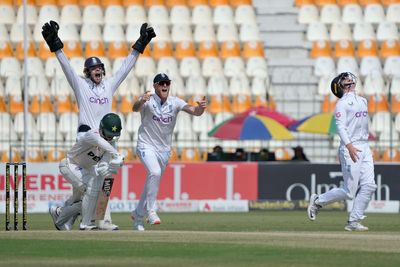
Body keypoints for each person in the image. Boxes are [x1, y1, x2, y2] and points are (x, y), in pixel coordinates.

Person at [42, 20, 156, 230]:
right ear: (87, 72)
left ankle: (66, 213)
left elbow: (125, 68)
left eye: (100, 68)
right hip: (86, 143)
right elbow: (66, 67)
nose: (97, 71)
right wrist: (56, 45)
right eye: (93, 68)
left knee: (97, 185)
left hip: (104, 141)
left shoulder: (109, 85)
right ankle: (84, 218)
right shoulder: (81, 85)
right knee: (92, 187)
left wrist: (141, 44)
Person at [130, 73, 207, 231]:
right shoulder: (148, 100)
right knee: (155, 172)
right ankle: (151, 211)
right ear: (155, 85)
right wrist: (140, 101)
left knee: (152, 180)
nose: (165, 86)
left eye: (167, 83)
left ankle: (138, 215)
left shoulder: (175, 102)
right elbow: (134, 109)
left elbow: (194, 111)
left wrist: (200, 108)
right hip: (146, 145)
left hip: (164, 150)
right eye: (161, 83)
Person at [307, 72, 376, 231]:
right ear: (340, 86)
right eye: (345, 79)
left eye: (349, 78)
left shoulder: (363, 101)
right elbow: (341, 127)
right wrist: (350, 146)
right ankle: (318, 201)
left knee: (369, 185)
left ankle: (354, 221)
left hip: (364, 146)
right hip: (350, 147)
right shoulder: (341, 104)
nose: (349, 80)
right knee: (349, 191)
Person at [49, 113, 125, 230]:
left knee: (96, 195)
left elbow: (104, 162)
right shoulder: (92, 134)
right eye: (108, 135)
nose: (110, 139)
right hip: (71, 164)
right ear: (101, 129)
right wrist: (117, 154)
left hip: (87, 170)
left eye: (113, 136)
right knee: (92, 189)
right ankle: (85, 224)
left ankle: (60, 212)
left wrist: (107, 168)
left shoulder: (111, 144)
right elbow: (102, 143)